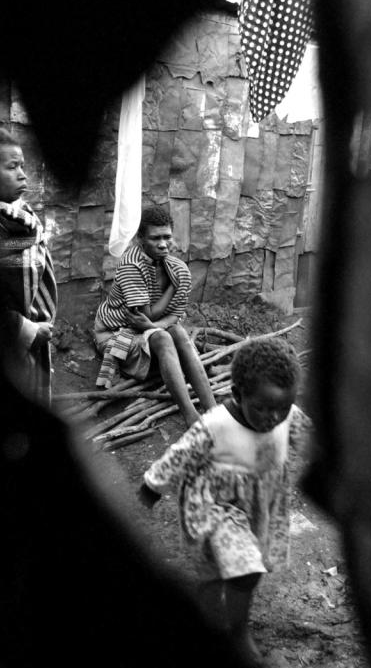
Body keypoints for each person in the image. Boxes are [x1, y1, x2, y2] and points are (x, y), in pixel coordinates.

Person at [137, 336, 313, 664]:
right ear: (237, 394)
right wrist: (152, 485)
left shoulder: (287, 415)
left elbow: (312, 440)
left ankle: (223, 619)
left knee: (239, 568)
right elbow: (181, 454)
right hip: (216, 508)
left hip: (259, 508)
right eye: (262, 408)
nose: (274, 418)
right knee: (232, 571)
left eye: (282, 408)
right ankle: (232, 632)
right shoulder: (215, 425)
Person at [93, 206, 216, 426]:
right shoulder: (132, 264)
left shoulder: (177, 268)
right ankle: (190, 415)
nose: (162, 244)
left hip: (146, 328)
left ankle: (213, 410)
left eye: (167, 237)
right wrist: (172, 287)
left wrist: (154, 324)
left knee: (176, 331)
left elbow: (173, 317)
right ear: (141, 239)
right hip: (115, 334)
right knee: (162, 337)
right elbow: (143, 317)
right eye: (155, 238)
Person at [0, 125, 58, 403]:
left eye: (22, 165)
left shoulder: (20, 216)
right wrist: (28, 329)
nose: (23, 174)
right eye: (12, 167)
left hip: (32, 341)